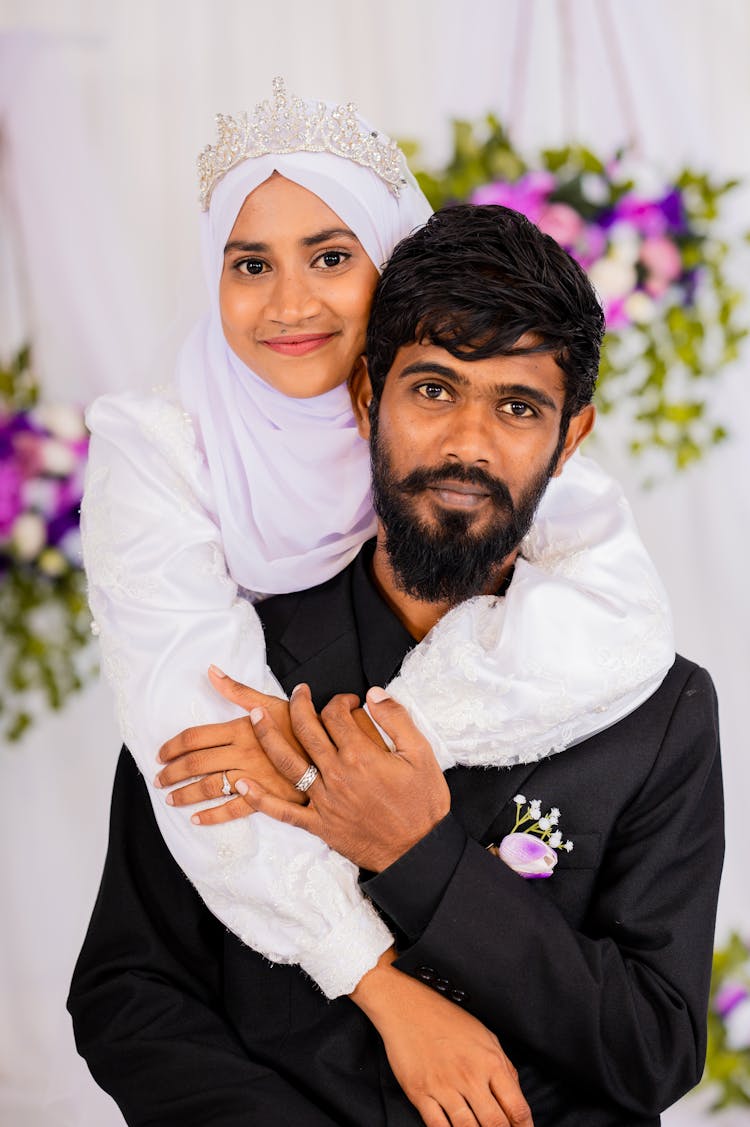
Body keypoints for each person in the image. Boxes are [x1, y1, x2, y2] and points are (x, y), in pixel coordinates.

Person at [69, 203, 723, 1127]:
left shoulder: (657, 708)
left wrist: (419, 856)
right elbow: (130, 994)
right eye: (433, 390)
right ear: (369, 395)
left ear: (570, 437)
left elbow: (652, 1047)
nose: (467, 442)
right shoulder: (237, 660)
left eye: (517, 406)